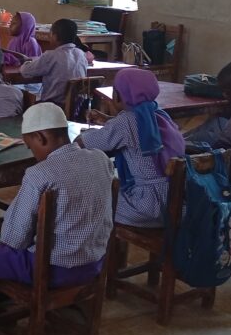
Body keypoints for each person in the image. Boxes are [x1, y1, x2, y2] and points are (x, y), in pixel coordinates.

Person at [0, 103, 114, 317]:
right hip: (93, 264)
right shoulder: (100, 159)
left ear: (41, 138)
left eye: (30, 146)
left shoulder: (40, 174)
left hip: (51, 270)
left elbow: (13, 240)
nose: (32, 153)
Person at [79, 68, 185, 227]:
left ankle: (105, 249)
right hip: (174, 203)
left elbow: (84, 143)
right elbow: (134, 129)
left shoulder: (127, 122)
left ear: (118, 95)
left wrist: (83, 134)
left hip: (146, 207)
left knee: (90, 199)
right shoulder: (160, 115)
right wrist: (111, 120)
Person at [18, 18, 88, 105]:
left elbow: (25, 71)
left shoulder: (51, 56)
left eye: (50, 34)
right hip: (77, 107)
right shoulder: (81, 54)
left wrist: (27, 62)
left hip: (53, 106)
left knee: (23, 97)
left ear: (55, 36)